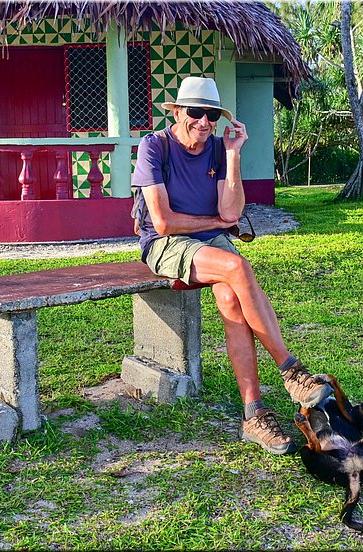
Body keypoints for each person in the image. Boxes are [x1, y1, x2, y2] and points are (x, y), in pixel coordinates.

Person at [132, 76, 332, 455]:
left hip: (210, 243)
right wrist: (217, 225)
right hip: (164, 245)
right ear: (176, 112)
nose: (204, 122)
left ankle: (252, 414)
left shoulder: (217, 150)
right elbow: (163, 222)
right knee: (238, 269)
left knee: (230, 299)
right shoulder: (154, 147)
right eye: (195, 112)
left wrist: (234, 153)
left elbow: (230, 211)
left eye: (211, 114)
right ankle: (291, 371)